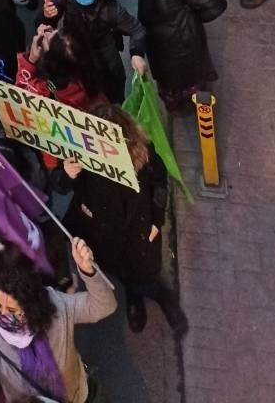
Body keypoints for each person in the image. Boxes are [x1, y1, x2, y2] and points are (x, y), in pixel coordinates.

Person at [0, 236, 115, 403]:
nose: (2, 315)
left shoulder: (57, 306)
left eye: (12, 310)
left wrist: (89, 273)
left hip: (81, 395)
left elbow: (104, 306)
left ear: (32, 306)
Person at [61, 106, 187, 335]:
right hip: (105, 230)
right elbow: (64, 185)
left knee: (144, 271)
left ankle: (161, 297)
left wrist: (156, 221)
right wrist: (67, 173)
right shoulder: (82, 155)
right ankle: (134, 299)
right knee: (121, 268)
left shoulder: (144, 153)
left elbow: (159, 182)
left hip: (138, 229)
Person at [126, 0, 227, 108]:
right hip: (157, 46)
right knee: (167, 80)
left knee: (186, 81)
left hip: (182, 47)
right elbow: (143, 12)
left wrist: (190, 21)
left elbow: (216, 5)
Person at [40, 0, 146, 103]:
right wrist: (48, 15)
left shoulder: (111, 9)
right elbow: (48, 19)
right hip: (74, 59)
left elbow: (137, 30)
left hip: (105, 64)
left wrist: (136, 54)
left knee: (113, 101)